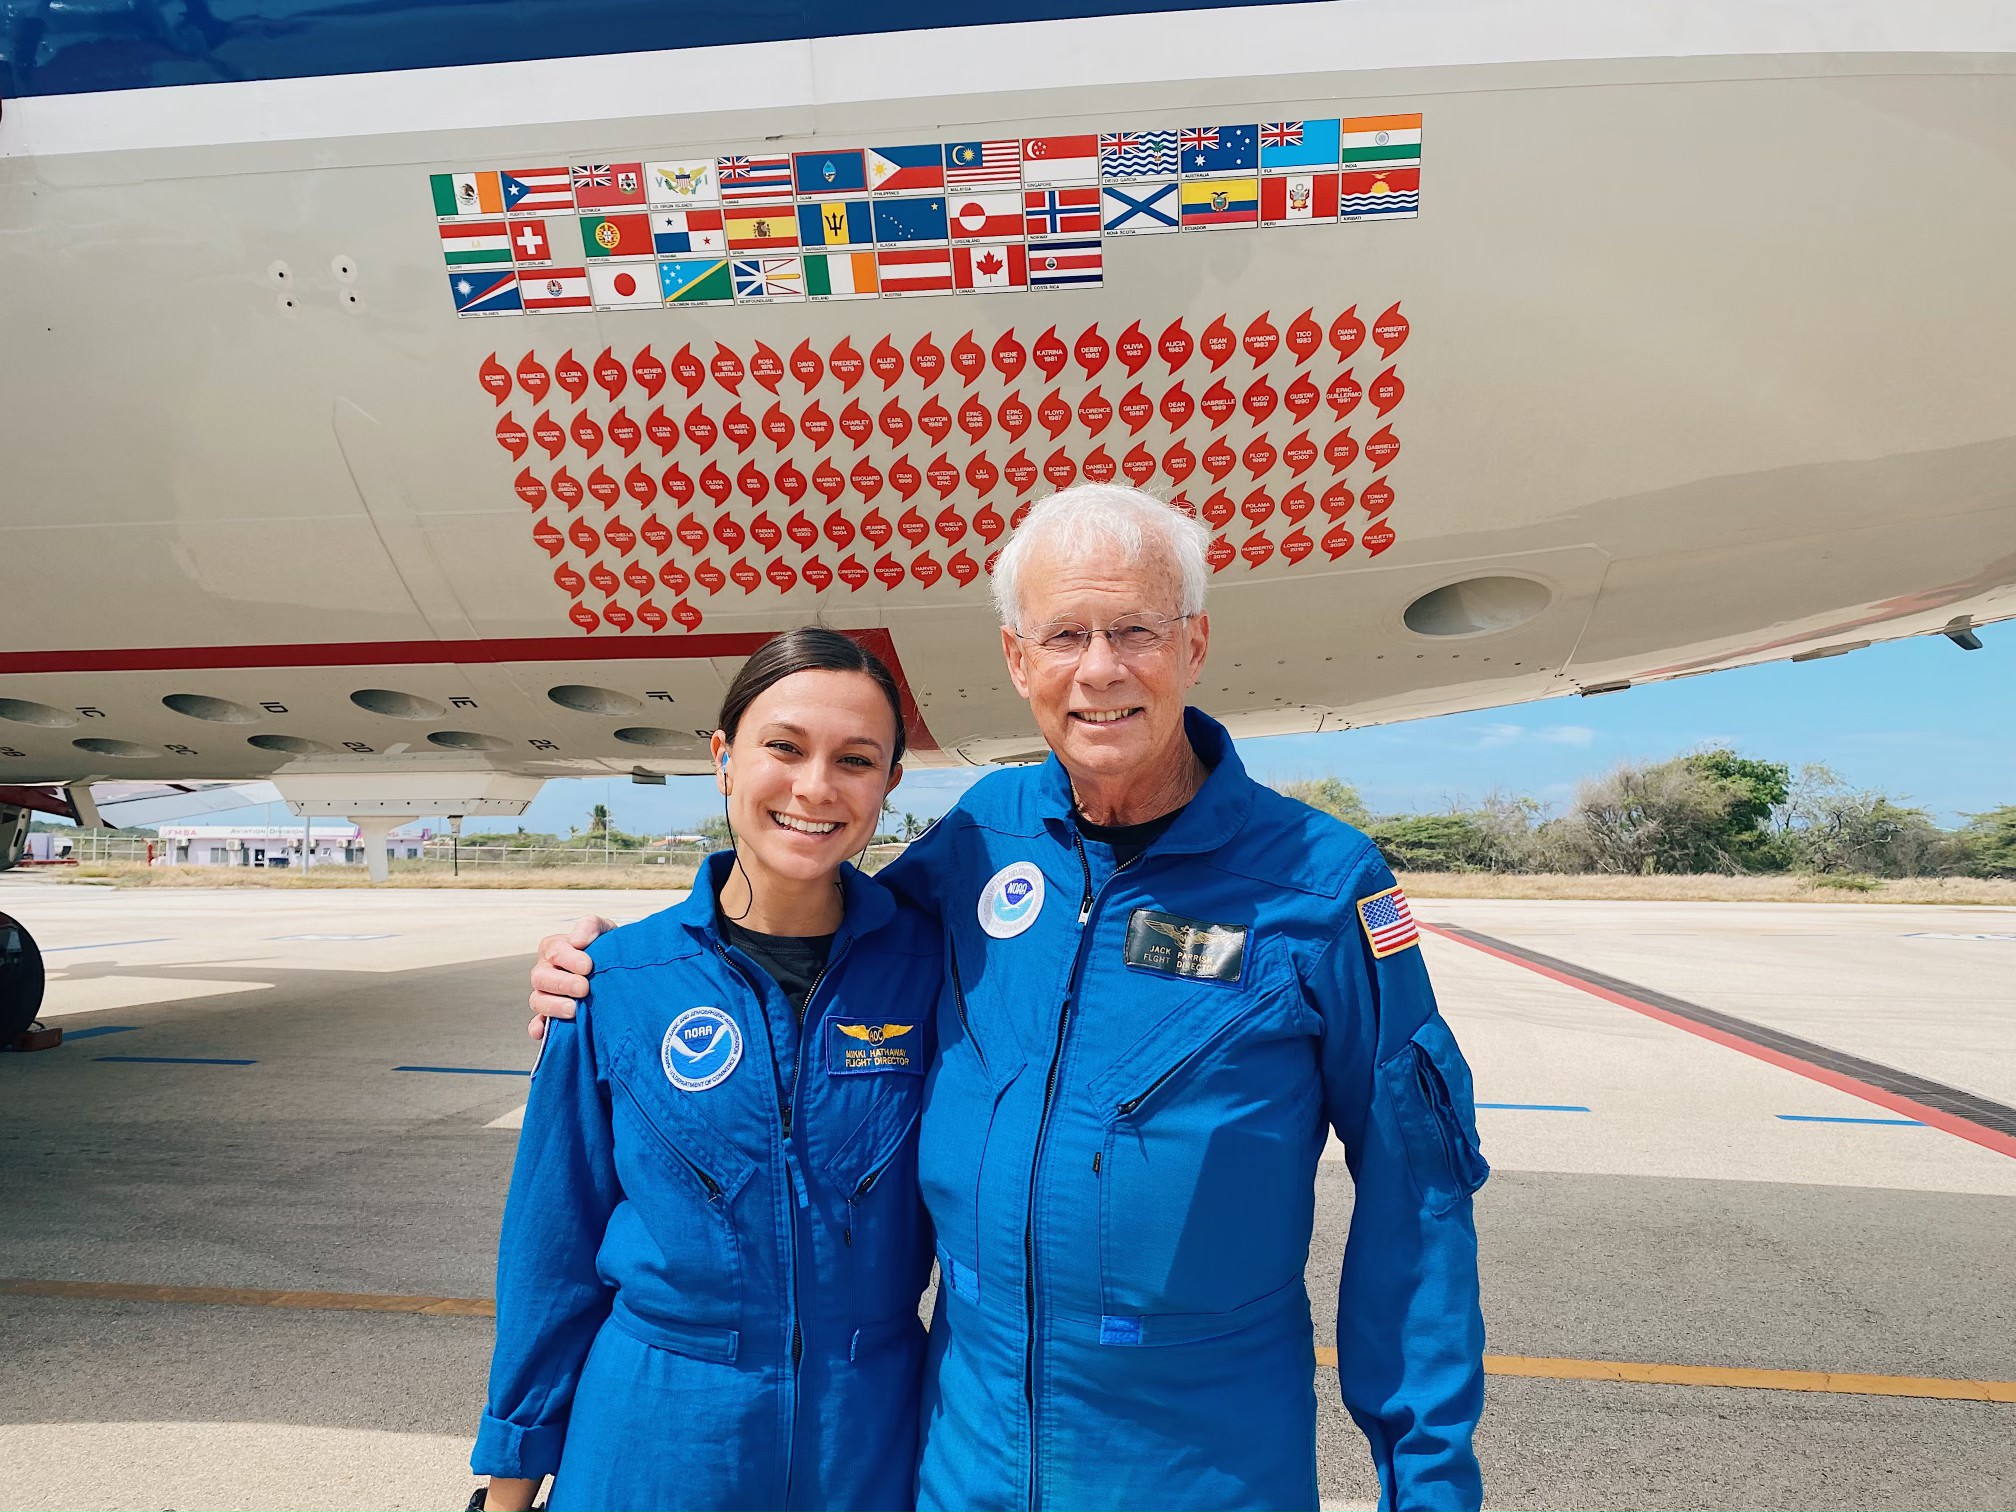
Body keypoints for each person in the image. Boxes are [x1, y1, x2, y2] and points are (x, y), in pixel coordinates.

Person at [530, 485, 1490, 1512]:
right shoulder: (984, 837)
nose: (1102, 669)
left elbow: (1417, 1196)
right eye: (1066, 634)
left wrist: (1426, 1484)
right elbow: (816, 927)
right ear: (1018, 661)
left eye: (1136, 631)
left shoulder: (1319, 885)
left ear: (1196, 644)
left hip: (1195, 1460)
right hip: (966, 1459)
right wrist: (625, 963)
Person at [473, 627, 939, 1512]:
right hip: (655, 1437)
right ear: (724, 758)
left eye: (855, 759)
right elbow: (550, 1251)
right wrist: (508, 1486)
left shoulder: (940, 972)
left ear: (889, 784)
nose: (815, 787)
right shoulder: (615, 985)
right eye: (784, 747)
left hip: (872, 1438)